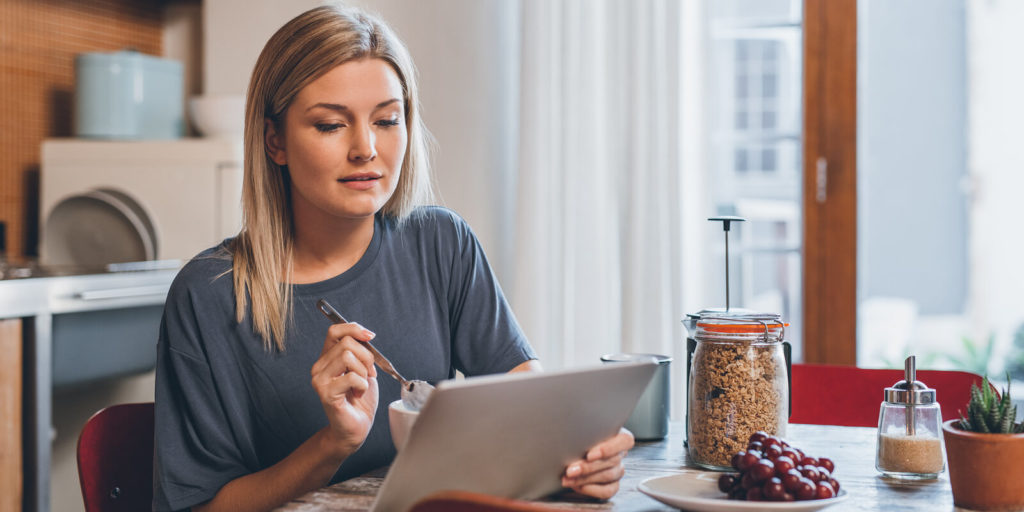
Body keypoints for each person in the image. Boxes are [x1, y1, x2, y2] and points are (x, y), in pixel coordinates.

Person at [152, 4, 634, 511]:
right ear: (275, 141)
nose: (366, 148)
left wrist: (583, 457)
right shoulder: (208, 294)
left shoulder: (442, 244)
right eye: (330, 125)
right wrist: (332, 444)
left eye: (386, 119)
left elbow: (532, 409)